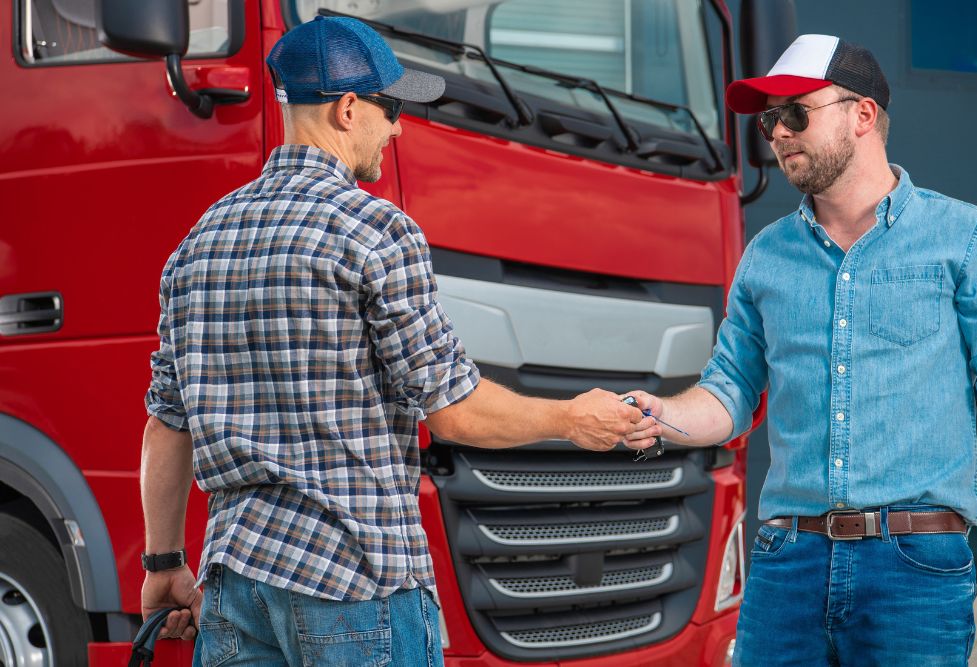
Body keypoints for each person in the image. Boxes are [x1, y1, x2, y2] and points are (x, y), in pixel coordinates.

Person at [138, 16, 653, 666]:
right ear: (349, 109)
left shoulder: (199, 243)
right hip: (353, 577)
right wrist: (571, 418)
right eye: (392, 108)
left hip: (237, 585)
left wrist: (162, 564)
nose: (400, 126)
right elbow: (454, 410)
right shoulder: (378, 231)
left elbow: (166, 425)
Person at [625, 34, 977, 665]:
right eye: (771, 119)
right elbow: (731, 392)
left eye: (796, 112)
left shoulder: (965, 239)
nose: (777, 133)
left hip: (914, 568)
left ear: (863, 115)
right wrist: (657, 415)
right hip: (786, 566)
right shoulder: (766, 255)